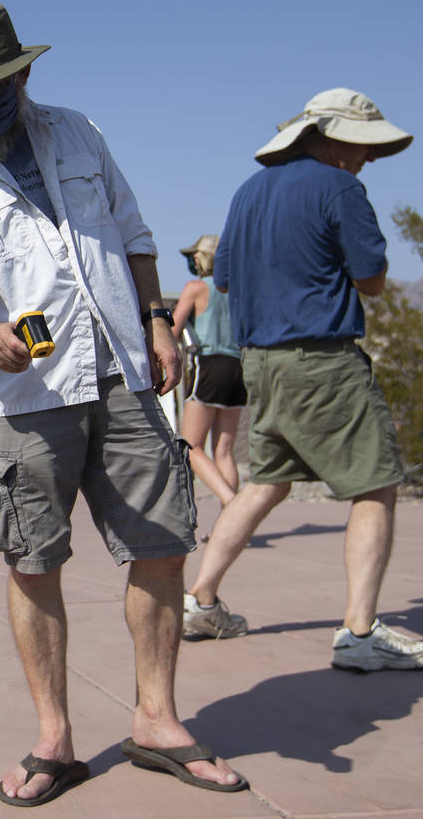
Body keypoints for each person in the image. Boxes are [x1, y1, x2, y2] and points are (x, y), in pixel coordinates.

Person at [0, 2, 247, 805]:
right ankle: (54, 738)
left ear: (22, 74)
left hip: (123, 373)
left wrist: (159, 321)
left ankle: (158, 720)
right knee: (33, 560)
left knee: (162, 544)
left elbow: (131, 230)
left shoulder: (79, 132)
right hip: (18, 395)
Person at [184, 88, 423, 671]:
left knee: (264, 484)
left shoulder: (247, 192)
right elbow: (371, 279)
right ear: (324, 136)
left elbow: (223, 280)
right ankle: (359, 633)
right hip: (323, 361)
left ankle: (198, 599)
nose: (366, 159)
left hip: (261, 364)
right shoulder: (340, 188)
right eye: (359, 145)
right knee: (375, 486)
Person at [171, 234, 250, 639]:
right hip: (239, 367)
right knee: (224, 448)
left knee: (189, 446)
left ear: (202, 260)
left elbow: (176, 323)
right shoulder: (236, 290)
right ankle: (228, 521)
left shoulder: (197, 288)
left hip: (210, 365)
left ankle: (233, 505)